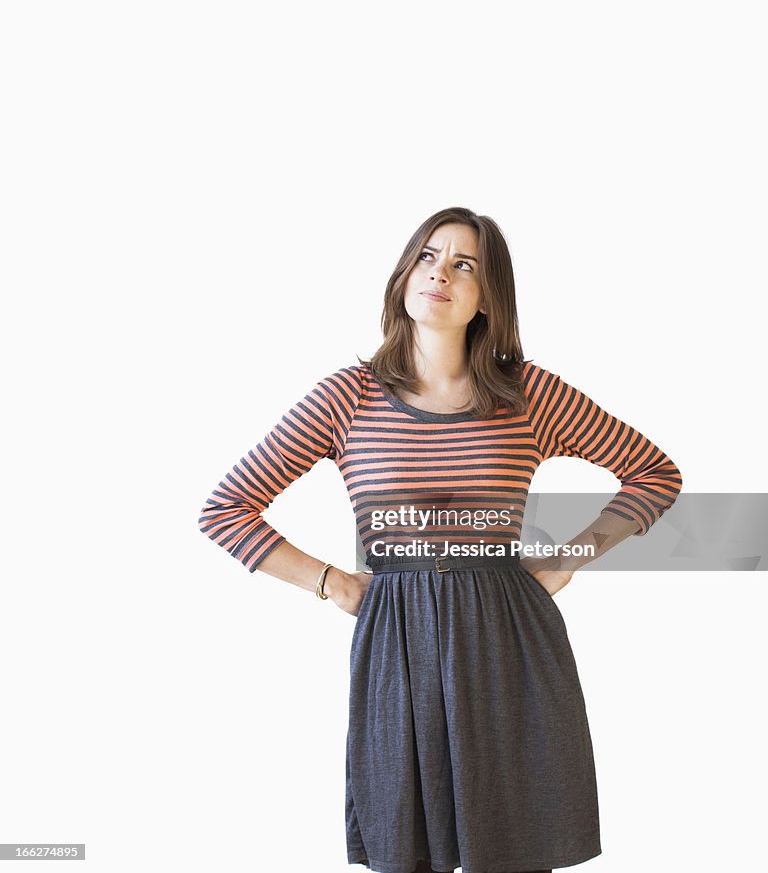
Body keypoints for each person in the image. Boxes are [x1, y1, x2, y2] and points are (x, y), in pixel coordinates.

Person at [198, 206, 683, 873]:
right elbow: (227, 508)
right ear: (404, 274)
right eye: (428, 256)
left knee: (515, 845)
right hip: (396, 636)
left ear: (489, 296)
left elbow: (654, 473)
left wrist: (569, 559)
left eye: (464, 265)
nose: (440, 274)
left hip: (508, 634)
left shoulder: (529, 394)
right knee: (406, 848)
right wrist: (331, 581)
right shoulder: (349, 396)